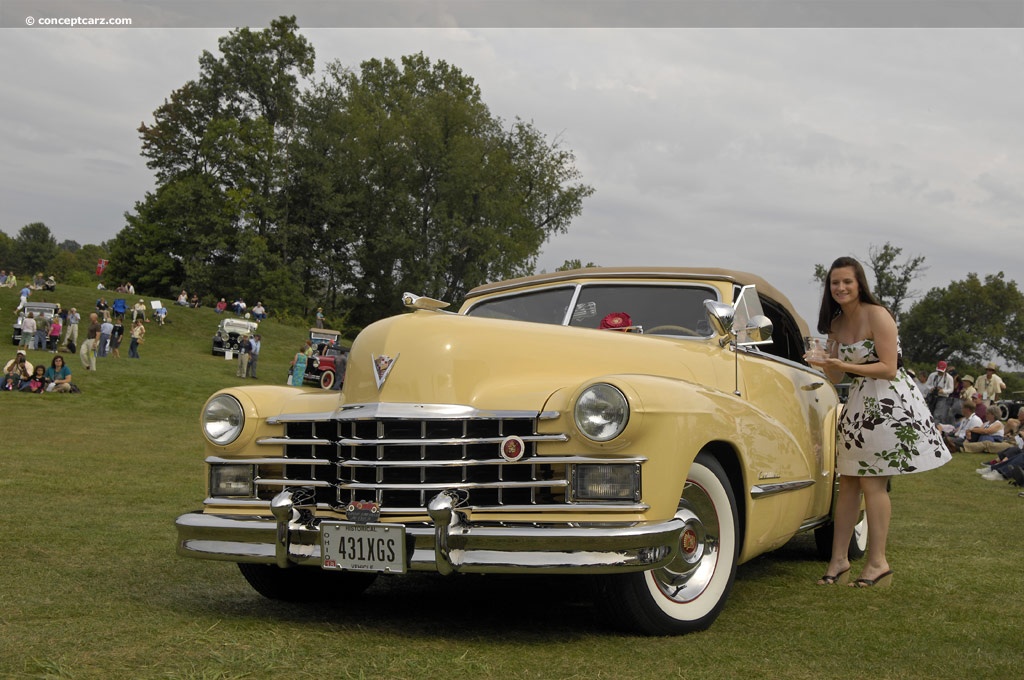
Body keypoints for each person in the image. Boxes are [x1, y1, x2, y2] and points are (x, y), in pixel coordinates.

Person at [808, 257, 950, 588]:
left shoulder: (878, 315)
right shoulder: (836, 323)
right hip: (858, 404)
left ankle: (877, 563)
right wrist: (823, 363)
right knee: (848, 484)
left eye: (847, 282)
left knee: (873, 483)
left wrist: (842, 362)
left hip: (889, 402)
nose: (840, 288)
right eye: (834, 283)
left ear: (860, 284)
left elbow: (888, 367)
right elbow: (838, 373)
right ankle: (838, 559)